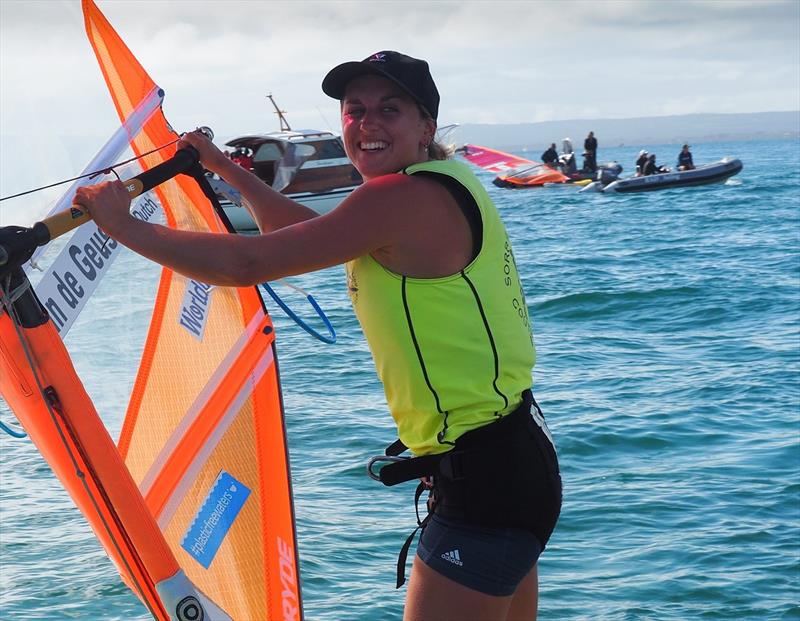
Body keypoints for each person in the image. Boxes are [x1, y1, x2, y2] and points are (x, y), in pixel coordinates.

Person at [74, 50, 562, 621]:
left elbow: (244, 265)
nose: (367, 123)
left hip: (484, 484)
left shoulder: (400, 197)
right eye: (355, 111)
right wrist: (222, 169)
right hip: (513, 459)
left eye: (389, 109)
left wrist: (122, 224)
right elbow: (299, 231)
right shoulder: (443, 183)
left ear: (426, 126)